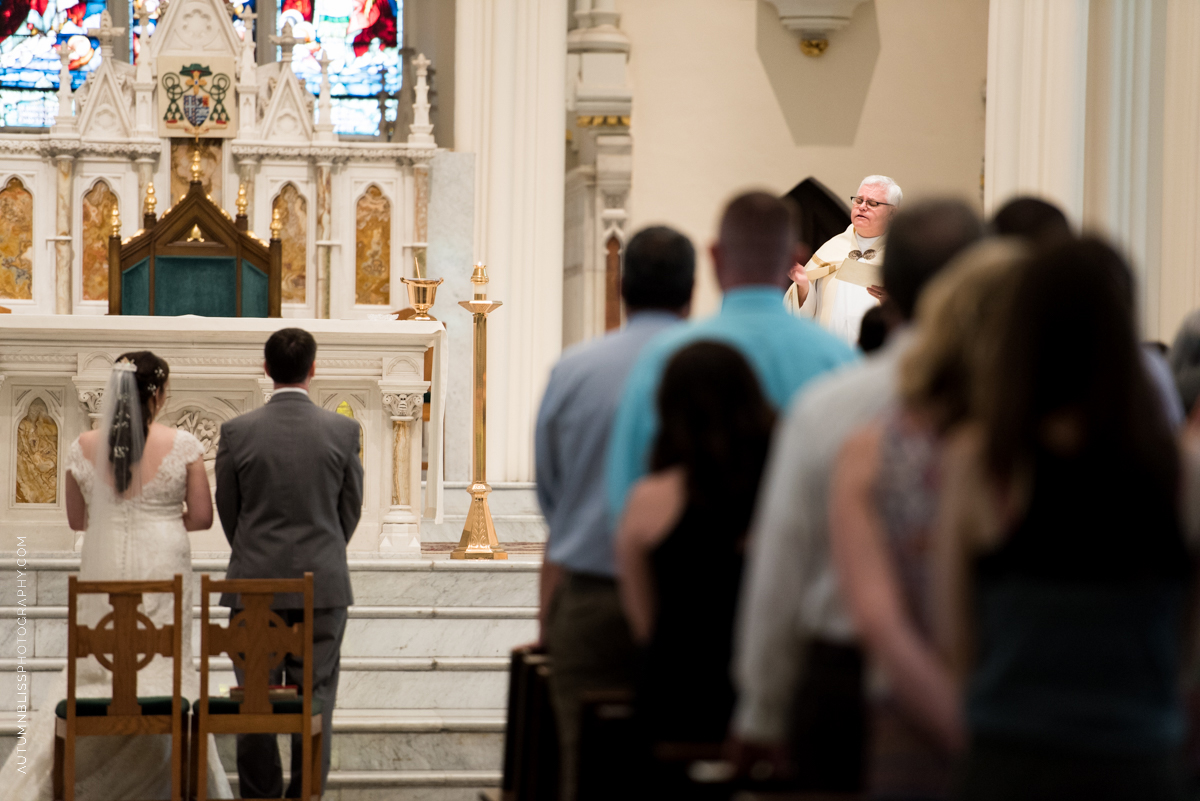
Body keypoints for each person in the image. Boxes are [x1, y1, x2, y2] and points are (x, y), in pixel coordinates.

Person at [855, 239, 1191, 800]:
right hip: (1140, 755)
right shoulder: (1182, 471)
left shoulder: (983, 462)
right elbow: (1188, 641)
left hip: (1010, 756)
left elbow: (956, 634)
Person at [730, 200, 982, 793]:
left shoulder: (829, 406)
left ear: (889, 285)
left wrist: (761, 710)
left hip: (842, 679)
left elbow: (782, 562)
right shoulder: (1012, 399)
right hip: (989, 679)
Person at [829, 240, 1028, 799]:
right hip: (1056, 736)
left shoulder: (877, 451)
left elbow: (882, 622)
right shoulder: (1095, 447)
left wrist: (963, 731)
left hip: (922, 724)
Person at [0, 352, 233, 800]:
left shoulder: (82, 446)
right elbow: (203, 517)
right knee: (162, 661)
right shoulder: (184, 443)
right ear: (159, 394)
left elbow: (77, 520)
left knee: (103, 663)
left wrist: (121, 517)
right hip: (165, 560)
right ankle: (167, 776)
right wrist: (161, 520)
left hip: (104, 562)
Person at [534, 225, 695, 801]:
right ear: (692, 290)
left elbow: (551, 492)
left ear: (621, 287)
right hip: (694, 603)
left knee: (587, 771)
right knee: (687, 764)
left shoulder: (574, 369)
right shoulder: (713, 362)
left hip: (593, 597)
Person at [605, 191, 857, 520]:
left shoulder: (665, 356)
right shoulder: (840, 361)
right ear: (795, 257)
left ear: (714, 255)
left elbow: (625, 501)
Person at [615, 342, 775, 787]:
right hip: (761, 694)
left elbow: (644, 624)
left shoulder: (648, 502)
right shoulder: (779, 493)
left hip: (674, 697)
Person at [214, 327, 364, 798]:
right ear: (313, 369)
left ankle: (260, 796)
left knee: (255, 700)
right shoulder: (342, 430)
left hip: (254, 584)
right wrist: (324, 549)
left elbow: (229, 509)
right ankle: (306, 795)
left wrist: (255, 549)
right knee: (316, 700)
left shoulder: (237, 432)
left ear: (266, 368)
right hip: (323, 585)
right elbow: (350, 507)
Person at [785, 175, 902, 343]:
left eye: (872, 203)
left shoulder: (897, 254)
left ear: (892, 213)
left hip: (876, 354)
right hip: (832, 351)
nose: (862, 207)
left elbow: (917, 316)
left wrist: (891, 301)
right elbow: (805, 315)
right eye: (859, 200)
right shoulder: (832, 249)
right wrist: (803, 285)